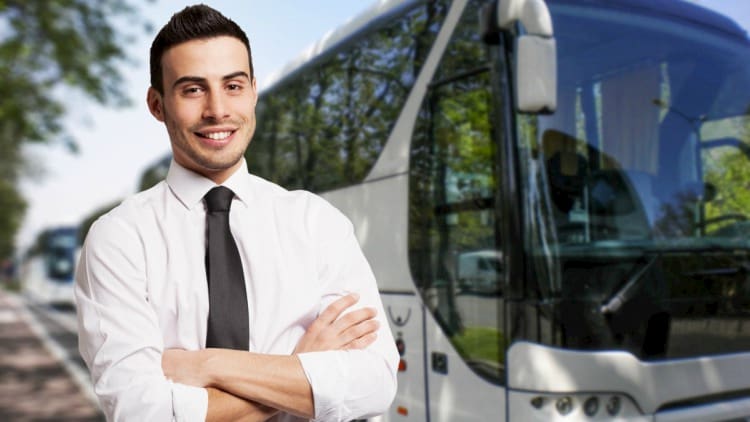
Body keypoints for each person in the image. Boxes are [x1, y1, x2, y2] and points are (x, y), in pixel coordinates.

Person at [75, 4, 399, 421]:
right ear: (157, 105)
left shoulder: (318, 223)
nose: (217, 110)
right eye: (193, 89)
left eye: (233, 86)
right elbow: (143, 412)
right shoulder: (119, 238)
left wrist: (207, 365)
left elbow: (373, 384)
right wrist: (299, 369)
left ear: (252, 92)